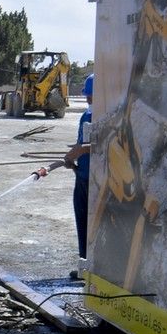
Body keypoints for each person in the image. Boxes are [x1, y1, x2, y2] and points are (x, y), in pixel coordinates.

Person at [64, 73, 93, 279]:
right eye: (88, 96)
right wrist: (73, 160)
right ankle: (85, 265)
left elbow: (104, 143)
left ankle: (94, 269)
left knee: (94, 224)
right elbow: (82, 142)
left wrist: (80, 150)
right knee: (82, 221)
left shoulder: (108, 116)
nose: (89, 99)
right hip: (82, 175)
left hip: (97, 179)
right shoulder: (86, 115)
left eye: (92, 96)